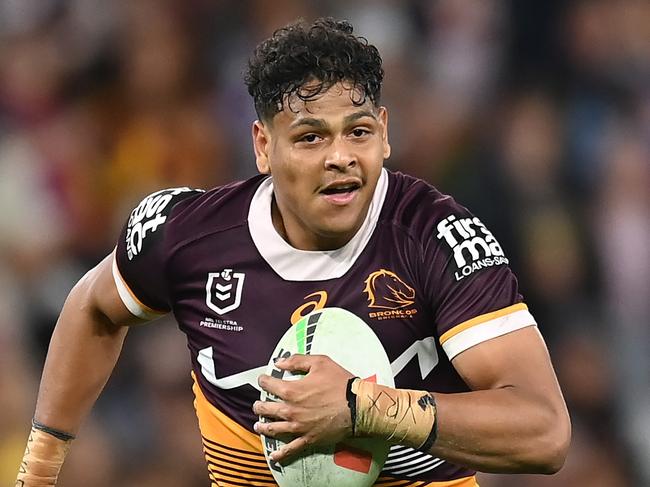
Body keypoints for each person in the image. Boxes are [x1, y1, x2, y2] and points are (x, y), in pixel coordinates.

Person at [16, 17, 571, 487]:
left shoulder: (437, 238)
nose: (341, 157)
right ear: (263, 145)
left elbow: (545, 431)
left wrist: (362, 408)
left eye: (357, 132)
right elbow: (91, 307)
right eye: (310, 137)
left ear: (384, 132)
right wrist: (39, 470)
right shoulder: (188, 236)